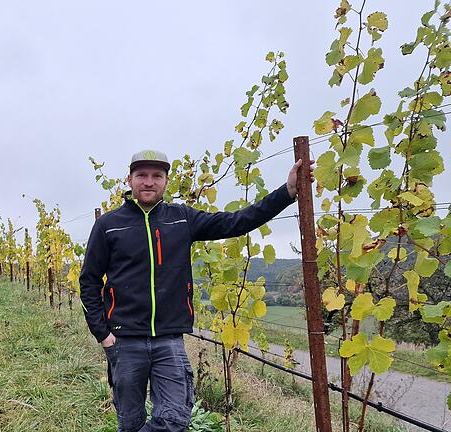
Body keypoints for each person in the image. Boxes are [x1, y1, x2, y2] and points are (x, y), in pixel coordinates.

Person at [79, 149, 311, 431]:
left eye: (156, 176)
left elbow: (238, 222)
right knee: (129, 422)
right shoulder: (108, 225)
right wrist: (103, 334)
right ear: (129, 180)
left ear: (166, 181)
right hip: (124, 341)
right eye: (142, 175)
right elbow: (89, 280)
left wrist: (286, 192)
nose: (148, 182)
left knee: (175, 420)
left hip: (169, 340)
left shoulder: (182, 218)